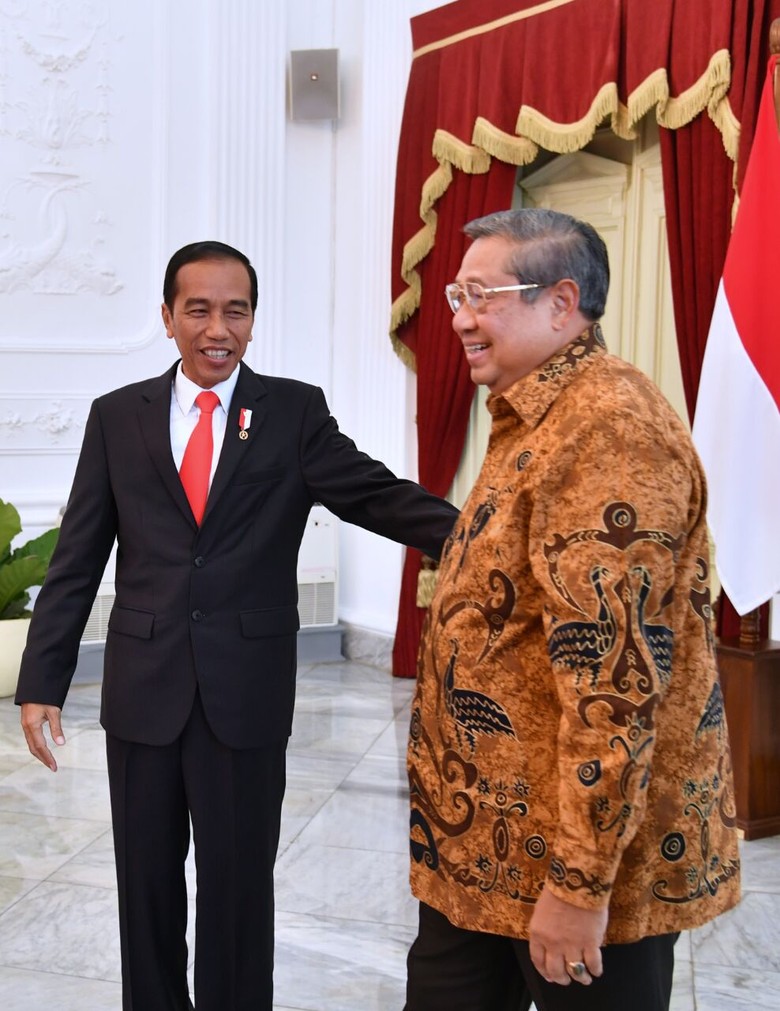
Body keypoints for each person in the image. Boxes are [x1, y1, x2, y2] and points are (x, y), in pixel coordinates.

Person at [15, 240, 459, 1011]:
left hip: (243, 695)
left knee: (236, 889)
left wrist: (488, 535)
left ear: (252, 320)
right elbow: (79, 555)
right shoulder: (119, 417)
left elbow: (375, 493)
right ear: (167, 318)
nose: (218, 327)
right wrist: (42, 679)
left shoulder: (292, 411)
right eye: (199, 309)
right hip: (143, 692)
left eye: (236, 310)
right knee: (146, 886)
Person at [404, 209, 741, 1011]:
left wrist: (579, 885)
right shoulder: (535, 412)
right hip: (484, 854)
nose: (459, 316)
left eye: (481, 294)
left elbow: (617, 682)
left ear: (562, 302)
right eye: (457, 293)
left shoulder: (607, 428)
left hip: (580, 879)